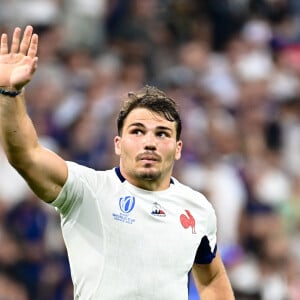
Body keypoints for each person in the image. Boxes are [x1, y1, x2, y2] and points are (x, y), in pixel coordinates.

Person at [0, 25, 235, 299]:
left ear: (178, 148)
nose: (149, 142)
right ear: (118, 144)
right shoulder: (88, 189)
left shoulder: (197, 207)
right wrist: (9, 94)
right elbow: (25, 154)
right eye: (137, 131)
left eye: (162, 134)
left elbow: (212, 276)